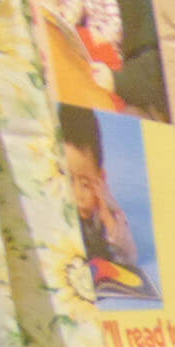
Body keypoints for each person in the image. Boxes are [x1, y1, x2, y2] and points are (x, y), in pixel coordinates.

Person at [57, 104, 140, 270]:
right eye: (69, 181)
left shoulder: (108, 214)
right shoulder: (58, 208)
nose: (77, 195)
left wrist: (109, 220)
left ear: (101, 179)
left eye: (86, 185)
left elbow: (130, 260)